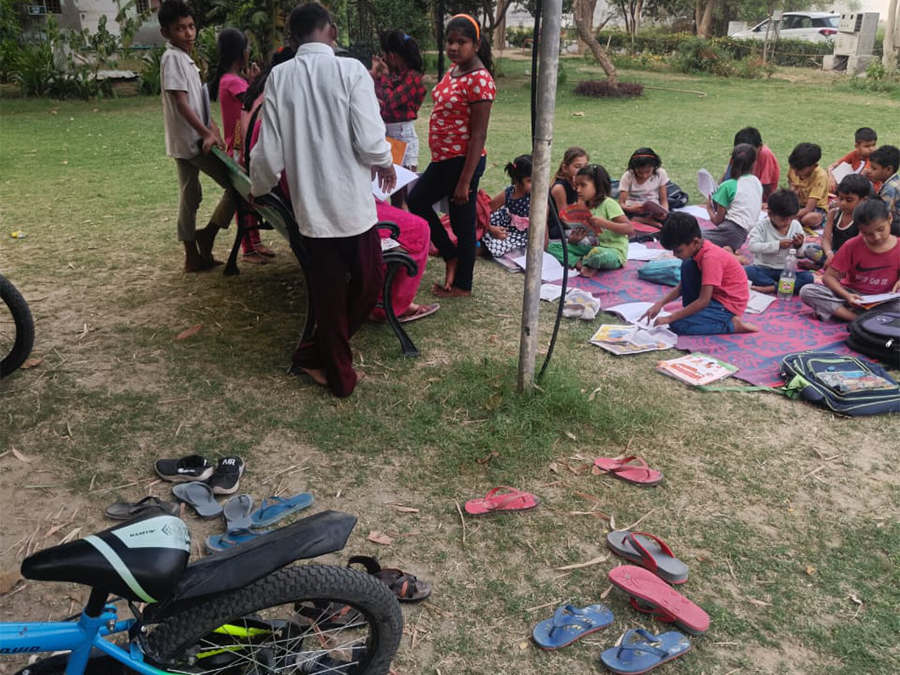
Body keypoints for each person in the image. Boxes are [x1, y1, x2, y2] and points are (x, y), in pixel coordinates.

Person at [249, 2, 396, 398]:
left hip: (313, 209)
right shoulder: (351, 71)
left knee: (333, 296)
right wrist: (384, 162)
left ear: (293, 38)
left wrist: (258, 186)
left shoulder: (279, 78)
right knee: (368, 284)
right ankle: (337, 374)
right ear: (331, 31)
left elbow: (268, 152)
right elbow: (370, 139)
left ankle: (312, 354)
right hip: (351, 206)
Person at [407, 13, 495, 298]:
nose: (454, 47)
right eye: (450, 41)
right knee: (416, 199)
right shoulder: (454, 71)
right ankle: (450, 253)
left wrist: (464, 182)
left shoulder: (480, 79)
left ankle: (463, 286)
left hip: (462, 163)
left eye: (462, 42)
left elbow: (478, 134)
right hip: (443, 160)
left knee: (462, 223)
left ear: (476, 44)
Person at [158, 0, 235, 273]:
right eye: (180, 28)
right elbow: (180, 102)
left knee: (190, 196)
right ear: (165, 32)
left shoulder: (188, 59)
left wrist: (212, 127)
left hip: (191, 140)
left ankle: (193, 254)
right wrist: (206, 134)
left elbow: (198, 100)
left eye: (191, 26)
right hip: (192, 144)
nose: (188, 33)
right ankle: (206, 236)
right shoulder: (172, 59)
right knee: (235, 187)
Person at [209, 28, 271, 264]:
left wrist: (252, 82)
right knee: (245, 197)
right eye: (247, 48)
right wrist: (258, 84)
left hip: (237, 142)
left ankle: (254, 242)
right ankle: (248, 246)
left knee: (248, 196)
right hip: (237, 145)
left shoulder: (231, 81)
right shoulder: (231, 82)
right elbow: (254, 101)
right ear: (240, 53)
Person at [642, 212, 758, 335]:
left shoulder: (710, 258)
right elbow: (683, 287)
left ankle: (732, 325)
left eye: (678, 251)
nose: (675, 255)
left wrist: (670, 318)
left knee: (678, 325)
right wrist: (660, 304)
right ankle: (699, 315)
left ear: (695, 242)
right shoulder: (697, 252)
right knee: (687, 265)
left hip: (727, 306)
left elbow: (704, 301)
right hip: (715, 297)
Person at [799, 200, 900, 322]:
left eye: (880, 229)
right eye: (867, 233)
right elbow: (828, 277)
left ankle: (842, 313)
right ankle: (857, 318)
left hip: (884, 299)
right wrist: (847, 296)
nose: (876, 237)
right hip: (851, 295)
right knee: (808, 291)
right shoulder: (852, 245)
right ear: (859, 229)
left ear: (889, 219)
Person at [546, 164, 633, 277]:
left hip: (613, 252)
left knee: (598, 254)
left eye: (583, 185)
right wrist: (574, 240)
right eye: (576, 185)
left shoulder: (608, 204)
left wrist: (604, 223)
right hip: (592, 248)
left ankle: (588, 263)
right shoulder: (582, 205)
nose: (578, 190)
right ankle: (580, 264)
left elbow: (630, 229)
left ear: (597, 186)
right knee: (552, 246)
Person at [370, 29, 426, 206]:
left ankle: (405, 231)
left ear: (393, 56)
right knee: (388, 190)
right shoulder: (395, 76)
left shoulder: (413, 78)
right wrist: (377, 76)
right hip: (386, 134)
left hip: (403, 136)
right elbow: (376, 97)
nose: (383, 58)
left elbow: (388, 102)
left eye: (385, 54)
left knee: (403, 195)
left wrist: (384, 77)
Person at [744, 189, 812, 295]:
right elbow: (753, 247)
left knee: (808, 278)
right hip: (763, 268)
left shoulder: (795, 225)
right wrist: (778, 245)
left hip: (785, 271)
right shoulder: (762, 226)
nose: (788, 222)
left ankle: (771, 288)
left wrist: (799, 245)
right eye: (784, 220)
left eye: (791, 218)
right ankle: (779, 287)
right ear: (770, 214)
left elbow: (801, 254)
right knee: (747, 271)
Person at [705, 143, 762, 252]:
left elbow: (718, 221)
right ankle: (729, 250)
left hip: (731, 232)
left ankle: (730, 254)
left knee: (694, 239)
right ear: (753, 164)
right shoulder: (756, 182)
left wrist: (709, 208)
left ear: (731, 161)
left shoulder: (727, 186)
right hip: (744, 235)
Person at [482, 154, 533, 258]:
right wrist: (491, 228)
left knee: (494, 245)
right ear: (517, 181)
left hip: (520, 235)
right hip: (504, 224)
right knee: (475, 224)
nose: (536, 184)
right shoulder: (509, 193)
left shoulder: (537, 198)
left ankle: (481, 247)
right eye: (530, 181)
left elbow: (543, 226)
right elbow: (486, 211)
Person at [821, 173, 871, 266]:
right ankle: (830, 264)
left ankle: (827, 265)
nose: (843, 203)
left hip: (849, 256)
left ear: (863, 200)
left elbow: (858, 247)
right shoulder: (834, 213)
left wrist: (836, 257)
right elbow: (826, 239)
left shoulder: (863, 220)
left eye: (849, 200)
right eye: (841, 198)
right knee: (811, 250)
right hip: (832, 253)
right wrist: (829, 254)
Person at [721, 127, 780, 204]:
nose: (746, 154)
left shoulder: (765, 154)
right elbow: (727, 177)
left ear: (759, 147)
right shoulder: (740, 154)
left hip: (760, 200)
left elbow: (765, 186)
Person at [618, 147, 668, 225]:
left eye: (648, 172)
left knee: (673, 219)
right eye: (639, 172)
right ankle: (645, 220)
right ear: (634, 168)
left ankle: (648, 220)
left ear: (654, 166)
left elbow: (664, 200)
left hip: (653, 209)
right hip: (632, 209)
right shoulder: (628, 176)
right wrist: (630, 209)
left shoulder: (660, 173)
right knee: (618, 215)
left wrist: (664, 212)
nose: (644, 176)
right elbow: (621, 203)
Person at [787, 142, 828, 230]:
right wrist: (792, 192)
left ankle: (796, 221)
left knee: (809, 218)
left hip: (815, 208)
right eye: (794, 168)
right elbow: (790, 185)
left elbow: (809, 208)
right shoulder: (794, 167)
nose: (795, 172)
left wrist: (787, 216)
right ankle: (795, 220)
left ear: (814, 166)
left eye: (800, 170)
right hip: (798, 204)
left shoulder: (820, 176)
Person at [826, 127, 878, 193]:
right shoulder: (854, 154)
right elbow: (832, 166)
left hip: (869, 188)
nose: (871, 149)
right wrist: (831, 178)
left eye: (874, 145)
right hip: (854, 183)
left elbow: (861, 177)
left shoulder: (873, 158)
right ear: (857, 146)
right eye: (867, 146)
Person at [866, 144, 900, 235]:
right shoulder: (896, 180)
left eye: (874, 168)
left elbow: (883, 216)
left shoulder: (889, 190)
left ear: (888, 169)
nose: (869, 171)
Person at [551, 147, 589, 215]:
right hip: (559, 224)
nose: (583, 170)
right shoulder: (559, 188)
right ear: (565, 168)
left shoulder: (579, 184)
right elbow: (565, 217)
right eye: (577, 167)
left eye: (586, 166)